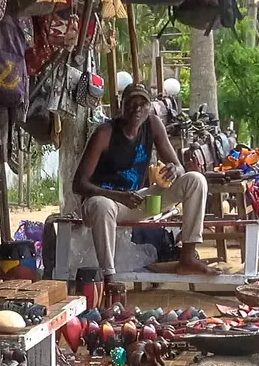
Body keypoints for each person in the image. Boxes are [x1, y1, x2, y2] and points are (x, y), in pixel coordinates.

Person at [74, 84, 216, 281]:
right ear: (121, 106)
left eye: (143, 104)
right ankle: (109, 276)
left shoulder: (153, 125)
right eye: (131, 103)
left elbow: (178, 166)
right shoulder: (105, 133)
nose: (137, 109)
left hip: (136, 200)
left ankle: (188, 256)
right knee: (101, 204)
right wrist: (118, 196)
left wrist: (175, 169)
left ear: (150, 107)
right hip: (105, 203)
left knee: (195, 180)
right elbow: (79, 184)